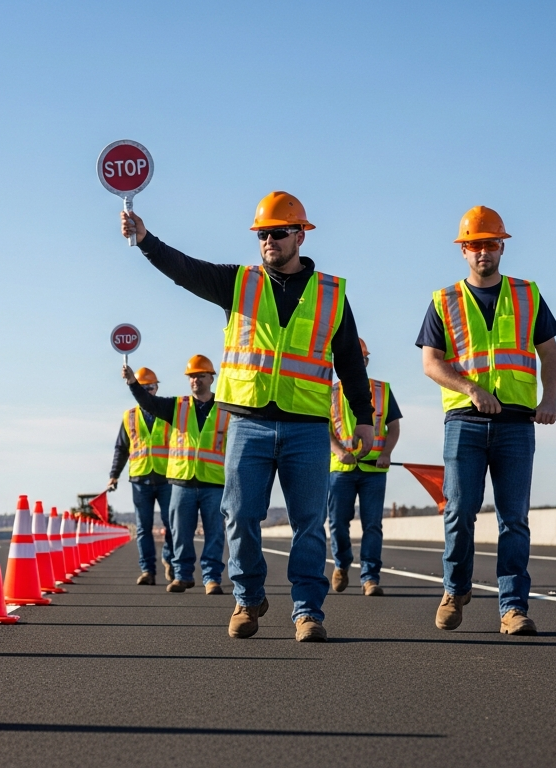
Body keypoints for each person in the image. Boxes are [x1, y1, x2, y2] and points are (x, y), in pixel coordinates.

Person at [120, 192, 375, 643]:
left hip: (307, 426)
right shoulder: (239, 283)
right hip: (248, 423)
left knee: (309, 524)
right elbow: (185, 270)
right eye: (262, 234)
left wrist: (364, 417)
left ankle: (307, 611)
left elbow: (350, 363)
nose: (269, 241)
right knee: (237, 516)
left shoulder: (332, 294)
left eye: (278, 233)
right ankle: (248, 596)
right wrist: (145, 239)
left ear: (300, 235)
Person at [417, 205, 556, 636]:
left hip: (517, 425)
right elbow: (431, 363)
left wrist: (549, 397)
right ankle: (455, 588)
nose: (484, 252)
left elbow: (549, 354)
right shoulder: (443, 300)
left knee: (513, 518)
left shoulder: (527, 294)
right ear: (463, 250)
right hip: (464, 421)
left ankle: (513, 607)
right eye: (475, 245)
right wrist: (471, 390)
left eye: (491, 244)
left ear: (502, 247)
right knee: (459, 511)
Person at [123, 356, 229, 595]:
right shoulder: (178, 406)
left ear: (212, 378)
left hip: (213, 481)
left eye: (201, 375)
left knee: (214, 532)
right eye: (192, 376)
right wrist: (132, 383)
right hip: (182, 481)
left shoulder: (225, 410)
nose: (195, 380)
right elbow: (149, 403)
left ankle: (212, 578)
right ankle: (182, 575)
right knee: (180, 532)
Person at [327, 338, 402, 597]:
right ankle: (341, 563)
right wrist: (339, 451)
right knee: (337, 523)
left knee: (372, 525)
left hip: (374, 471)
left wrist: (386, 453)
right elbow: (324, 429)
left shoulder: (382, 390)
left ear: (367, 362)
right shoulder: (330, 392)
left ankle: (370, 578)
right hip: (341, 470)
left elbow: (393, 427)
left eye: (363, 360)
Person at [108, 367, 174, 586]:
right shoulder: (130, 417)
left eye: (151, 387)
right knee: (144, 527)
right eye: (143, 388)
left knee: (171, 523)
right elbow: (122, 448)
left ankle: (169, 560)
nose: (148, 391)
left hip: (167, 477)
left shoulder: (168, 412)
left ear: (157, 388)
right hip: (140, 478)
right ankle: (148, 571)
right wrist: (114, 475)